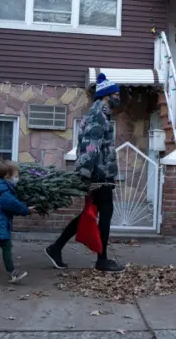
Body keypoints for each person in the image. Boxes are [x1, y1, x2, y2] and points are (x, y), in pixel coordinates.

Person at [44, 73, 125, 272]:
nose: (119, 98)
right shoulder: (98, 115)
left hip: (100, 173)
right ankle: (102, 260)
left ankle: (56, 247)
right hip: (98, 176)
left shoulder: (101, 113)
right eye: (117, 94)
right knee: (105, 213)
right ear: (107, 95)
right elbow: (91, 147)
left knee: (89, 214)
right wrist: (87, 176)